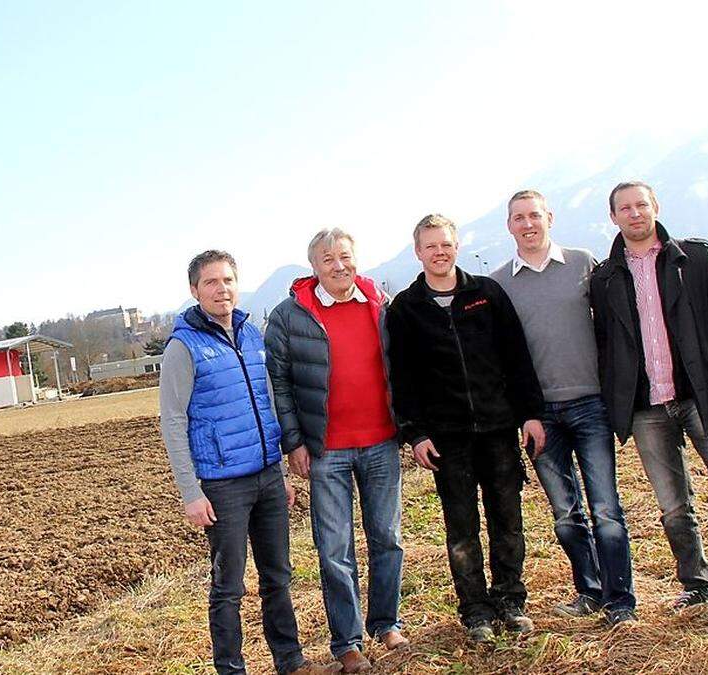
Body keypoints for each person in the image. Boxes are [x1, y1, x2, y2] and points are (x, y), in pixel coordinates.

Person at [159, 250, 327, 675]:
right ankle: (231, 669)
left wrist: (279, 471)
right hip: (222, 485)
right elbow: (173, 422)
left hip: (267, 476)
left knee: (278, 577)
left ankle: (291, 662)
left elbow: (268, 403)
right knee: (228, 587)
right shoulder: (184, 347)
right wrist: (190, 493)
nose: (222, 289)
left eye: (228, 280)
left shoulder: (252, 335)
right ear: (194, 291)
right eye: (211, 282)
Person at [386, 214, 546, 643]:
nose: (440, 252)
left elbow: (517, 357)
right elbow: (402, 379)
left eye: (446, 244)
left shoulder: (486, 294)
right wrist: (415, 433)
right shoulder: (405, 308)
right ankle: (475, 610)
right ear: (418, 252)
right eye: (430, 246)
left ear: (457, 246)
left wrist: (530, 412)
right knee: (461, 527)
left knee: (508, 519)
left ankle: (510, 600)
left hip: (497, 429)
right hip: (447, 438)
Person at [489, 190, 637, 625]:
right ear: (509, 225)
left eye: (535, 215)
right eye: (519, 217)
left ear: (549, 218)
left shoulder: (582, 263)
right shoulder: (499, 283)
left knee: (606, 508)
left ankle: (620, 600)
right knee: (564, 514)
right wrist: (521, 412)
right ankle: (588, 590)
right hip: (540, 415)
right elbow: (504, 356)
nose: (528, 224)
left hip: (591, 403)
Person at [264, 228, 406, 673]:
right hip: (327, 450)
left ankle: (387, 622)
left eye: (345, 256)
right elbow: (280, 386)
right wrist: (294, 443)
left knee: (388, 538)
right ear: (314, 267)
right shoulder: (290, 316)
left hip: (381, 441)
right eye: (328, 259)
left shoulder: (380, 304)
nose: (339, 266)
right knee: (334, 549)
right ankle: (347, 642)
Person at [589, 181, 708, 611]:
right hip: (647, 407)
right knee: (672, 504)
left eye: (640, 205)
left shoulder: (693, 259)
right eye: (624, 208)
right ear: (613, 217)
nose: (634, 214)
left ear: (655, 207)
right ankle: (697, 582)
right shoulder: (605, 278)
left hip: (700, 395)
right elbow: (606, 342)